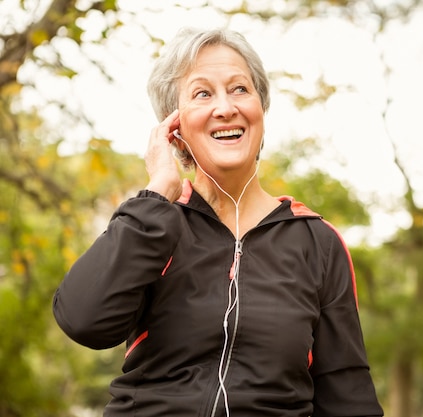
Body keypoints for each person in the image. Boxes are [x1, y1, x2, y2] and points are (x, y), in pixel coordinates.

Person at [53, 27, 384, 417]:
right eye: (202, 93)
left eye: (240, 89)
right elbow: (84, 321)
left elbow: (347, 395)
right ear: (173, 130)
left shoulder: (318, 242)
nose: (225, 107)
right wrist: (159, 190)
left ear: (261, 110)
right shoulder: (151, 224)